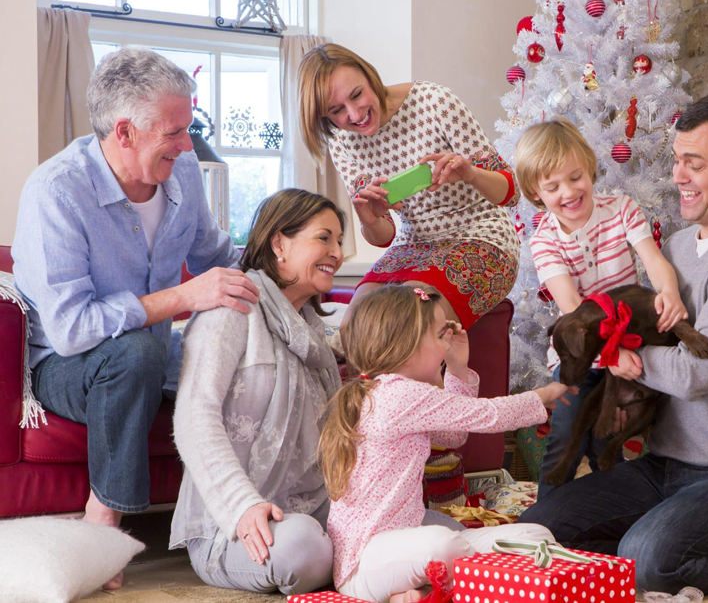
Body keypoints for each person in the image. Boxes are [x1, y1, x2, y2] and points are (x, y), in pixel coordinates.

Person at [519, 92, 708, 594]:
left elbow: (695, 372)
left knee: (645, 560)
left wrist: (621, 357)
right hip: (664, 464)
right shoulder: (673, 248)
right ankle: (662, 533)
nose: (677, 176)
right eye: (676, 161)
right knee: (544, 527)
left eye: (693, 164)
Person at [12, 47, 256, 590]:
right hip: (68, 367)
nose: (187, 144)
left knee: (235, 353)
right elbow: (72, 329)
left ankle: (250, 516)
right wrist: (183, 298)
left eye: (188, 127)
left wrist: (290, 274)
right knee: (138, 350)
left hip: (152, 352)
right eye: (174, 131)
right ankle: (105, 520)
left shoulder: (183, 172)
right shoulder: (57, 191)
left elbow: (218, 254)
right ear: (124, 132)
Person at [319, 284, 573, 603]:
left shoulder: (397, 393)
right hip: (366, 561)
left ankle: (415, 593)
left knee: (535, 536)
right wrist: (545, 393)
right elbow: (488, 415)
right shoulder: (397, 394)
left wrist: (457, 368)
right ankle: (434, 589)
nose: (446, 344)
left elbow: (452, 437)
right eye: (441, 336)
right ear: (408, 345)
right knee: (444, 544)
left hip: (404, 549)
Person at [169, 189, 346, 595]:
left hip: (313, 507)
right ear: (279, 243)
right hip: (233, 524)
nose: (336, 252)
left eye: (339, 241)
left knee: (427, 526)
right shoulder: (230, 308)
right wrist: (242, 505)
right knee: (303, 550)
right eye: (324, 237)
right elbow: (195, 416)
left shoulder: (309, 327)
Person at [513, 117, 687, 500]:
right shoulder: (544, 241)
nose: (569, 192)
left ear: (590, 168)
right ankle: (546, 519)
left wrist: (669, 292)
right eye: (553, 186)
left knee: (607, 439)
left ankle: (614, 521)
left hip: (629, 347)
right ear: (535, 193)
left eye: (576, 177)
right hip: (582, 353)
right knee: (567, 434)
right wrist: (610, 357)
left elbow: (653, 260)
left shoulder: (621, 209)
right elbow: (574, 309)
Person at [297, 43, 520, 334]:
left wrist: (470, 173)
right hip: (411, 244)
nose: (355, 114)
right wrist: (368, 217)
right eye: (337, 110)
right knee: (353, 327)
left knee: (411, 316)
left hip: (481, 235)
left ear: (369, 76)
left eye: (357, 95)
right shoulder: (342, 142)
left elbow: (511, 192)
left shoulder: (435, 101)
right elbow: (384, 236)